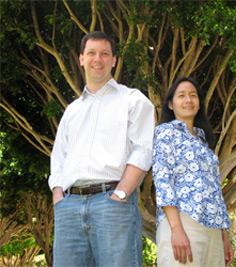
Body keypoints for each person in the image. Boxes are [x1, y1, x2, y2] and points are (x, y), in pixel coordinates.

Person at [48, 31, 155, 267]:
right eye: (92, 53)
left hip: (112, 204)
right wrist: (58, 195)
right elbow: (59, 156)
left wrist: (121, 193)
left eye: (105, 54)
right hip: (69, 206)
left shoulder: (133, 100)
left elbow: (143, 150)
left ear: (114, 60)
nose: (98, 59)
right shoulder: (72, 111)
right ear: (81, 59)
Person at [152, 77, 234, 267]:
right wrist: (176, 229)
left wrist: (223, 235)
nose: (188, 100)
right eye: (181, 96)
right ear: (171, 105)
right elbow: (163, 180)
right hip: (184, 222)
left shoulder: (203, 141)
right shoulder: (166, 132)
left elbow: (215, 192)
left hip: (213, 229)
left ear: (199, 103)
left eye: (193, 95)